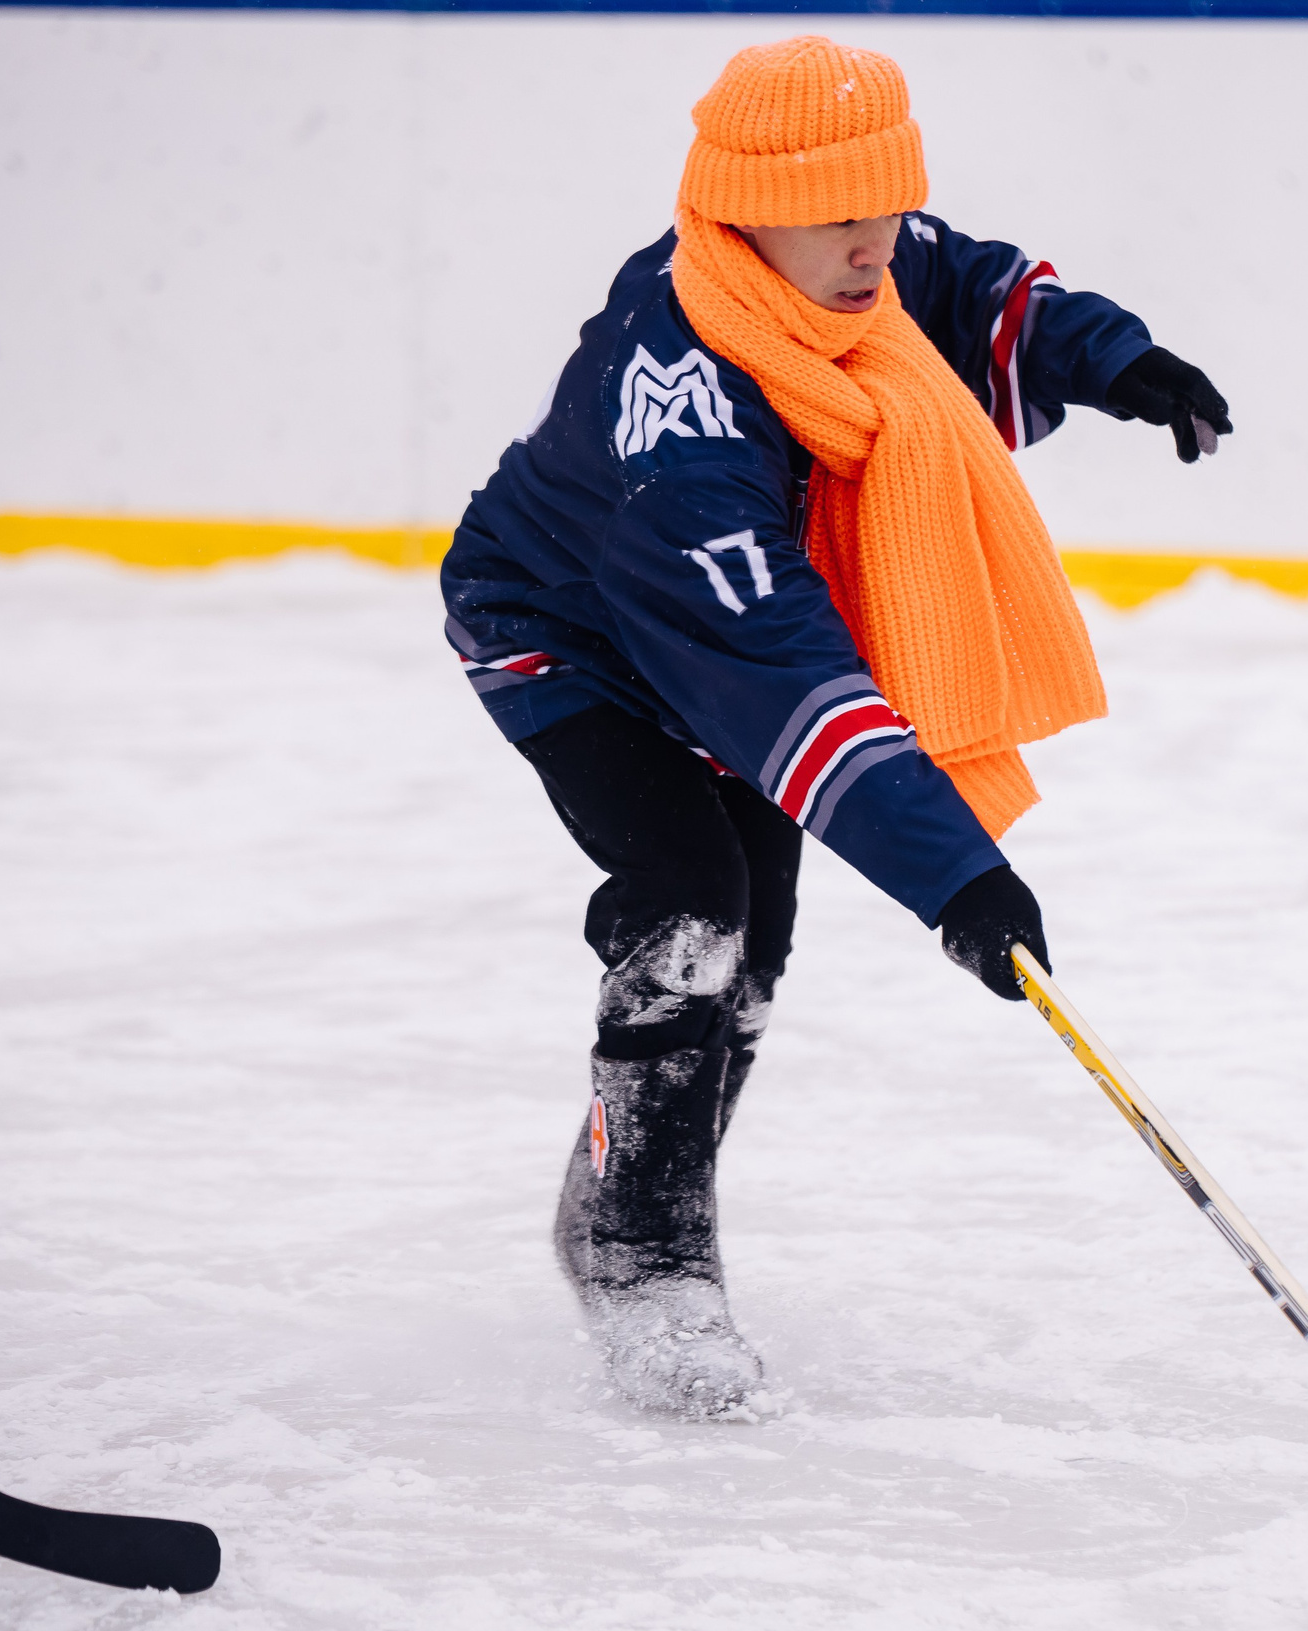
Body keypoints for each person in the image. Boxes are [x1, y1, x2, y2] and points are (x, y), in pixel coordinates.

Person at [437, 35, 1232, 1419]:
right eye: (837, 213)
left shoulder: (841, 265)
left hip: (713, 642)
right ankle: (644, 1255)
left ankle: (616, 1186)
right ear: (739, 212)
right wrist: (958, 875)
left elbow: (968, 278)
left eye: (885, 200)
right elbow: (782, 670)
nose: (874, 243)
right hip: (568, 637)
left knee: (762, 936)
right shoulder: (680, 420)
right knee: (691, 904)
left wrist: (1118, 360)